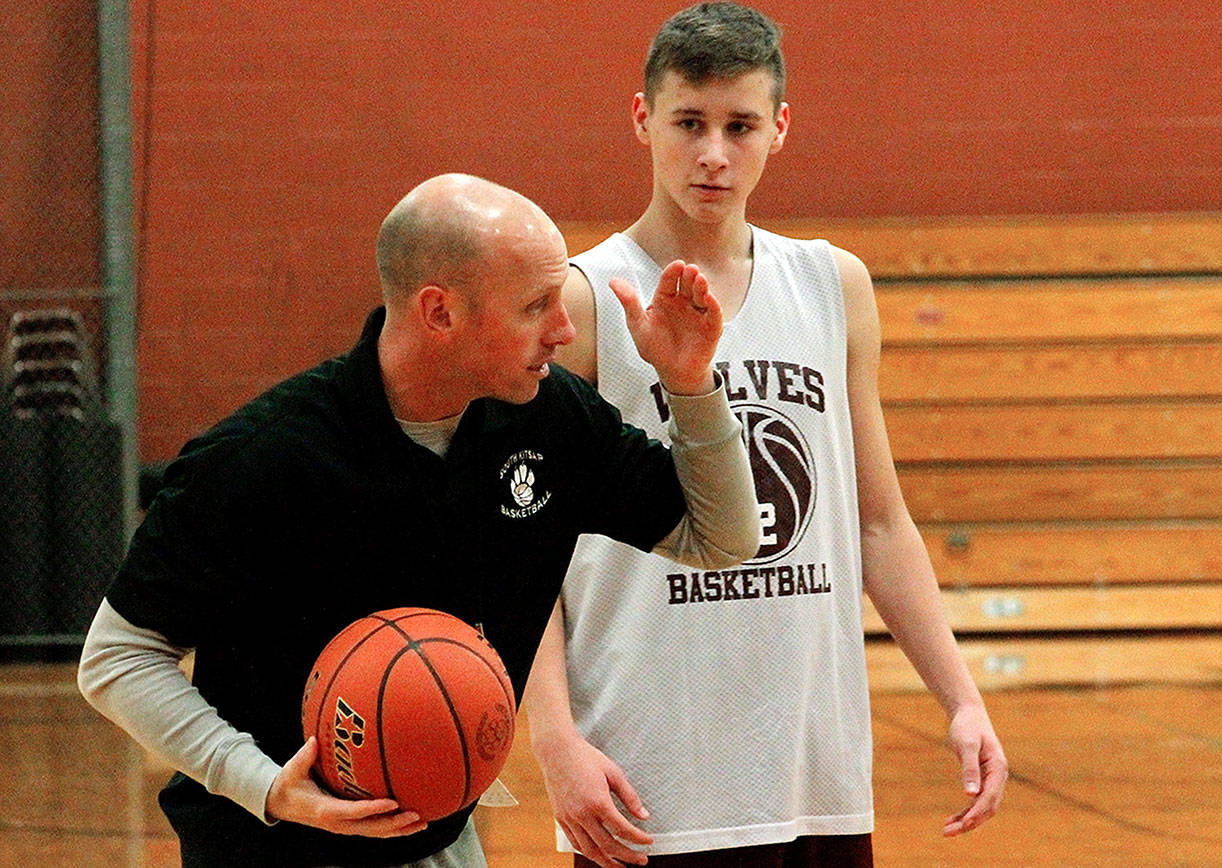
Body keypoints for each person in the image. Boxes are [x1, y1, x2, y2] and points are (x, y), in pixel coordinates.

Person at [77, 173, 762, 867]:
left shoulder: (550, 420)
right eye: (536, 306)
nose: (566, 330)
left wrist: (690, 383)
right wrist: (261, 783)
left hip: (443, 842)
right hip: (268, 848)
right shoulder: (261, 459)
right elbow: (117, 657)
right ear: (439, 313)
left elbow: (724, 539)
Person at [523, 4, 1008, 866]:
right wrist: (554, 742)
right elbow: (526, 550)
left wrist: (961, 696)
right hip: (647, 774)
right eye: (689, 123)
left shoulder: (832, 284)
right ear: (643, 118)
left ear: (779, 129)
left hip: (813, 772)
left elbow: (879, 522)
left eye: (740, 126)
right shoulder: (586, 299)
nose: (713, 154)